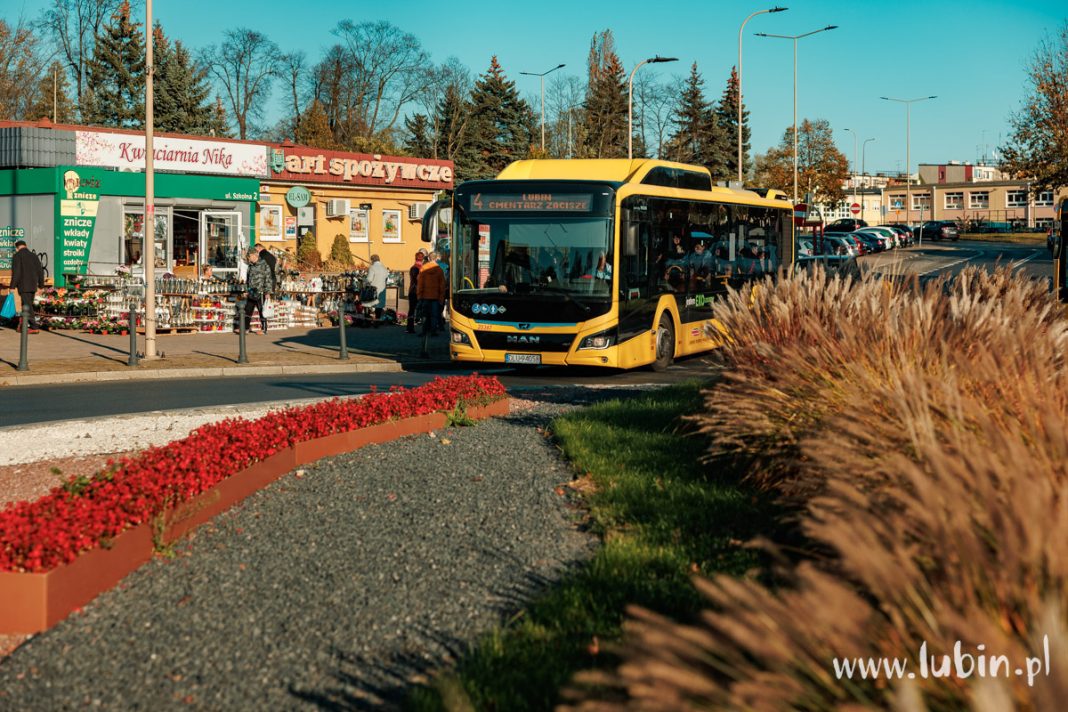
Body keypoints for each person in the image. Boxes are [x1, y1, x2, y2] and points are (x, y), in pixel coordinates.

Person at [10, 240, 44, 333]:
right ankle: (23, 325)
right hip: (33, 285)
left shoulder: (17, 256)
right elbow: (40, 271)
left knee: (27, 306)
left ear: (17, 248)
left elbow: (16, 273)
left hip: (23, 286)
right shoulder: (34, 256)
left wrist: (12, 286)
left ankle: (34, 327)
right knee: (27, 305)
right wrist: (41, 286)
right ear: (26, 246)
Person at [416, 250, 447, 336]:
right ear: (436, 259)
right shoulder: (439, 270)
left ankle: (424, 331)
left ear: (429, 258)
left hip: (425, 296)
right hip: (436, 297)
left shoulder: (423, 268)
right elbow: (442, 286)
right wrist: (441, 298)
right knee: (434, 315)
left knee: (425, 315)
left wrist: (419, 296)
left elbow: (420, 284)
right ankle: (433, 331)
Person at [243, 248, 273, 333]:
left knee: (262, 310)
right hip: (251, 291)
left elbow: (268, 279)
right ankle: (246, 328)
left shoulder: (264, 264)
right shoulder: (250, 266)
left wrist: (267, 292)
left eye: (249, 256)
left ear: (253, 255)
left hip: (261, 291)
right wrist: (246, 290)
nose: (248, 258)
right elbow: (248, 279)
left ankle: (264, 329)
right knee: (248, 310)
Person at [365, 253, 389, 323]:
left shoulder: (372, 267)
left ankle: (369, 320)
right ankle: (377, 320)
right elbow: (386, 279)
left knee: (369, 304)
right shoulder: (384, 268)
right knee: (379, 305)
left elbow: (369, 279)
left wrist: (364, 280)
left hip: (373, 289)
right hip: (382, 289)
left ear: (372, 260)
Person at [406, 251, 425, 333]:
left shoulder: (415, 267)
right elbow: (417, 280)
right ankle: (411, 328)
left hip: (413, 291)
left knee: (412, 310)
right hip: (416, 291)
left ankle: (410, 328)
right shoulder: (418, 268)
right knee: (415, 310)